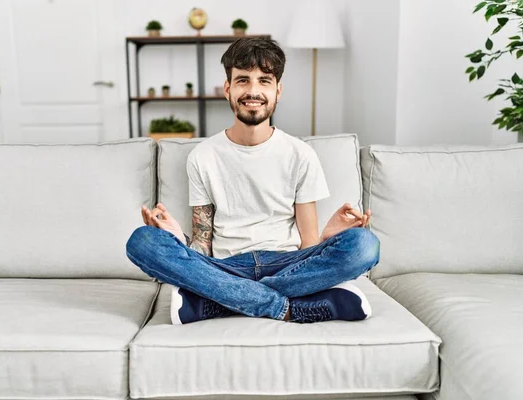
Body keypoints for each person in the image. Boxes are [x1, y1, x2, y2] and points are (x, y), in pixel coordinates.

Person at [126, 37, 380, 325]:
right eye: (243, 80)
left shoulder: (300, 154)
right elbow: (202, 246)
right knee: (143, 241)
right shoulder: (203, 156)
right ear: (228, 89)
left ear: (278, 90)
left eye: (264, 81)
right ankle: (287, 308)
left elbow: (308, 244)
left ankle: (223, 301)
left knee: (364, 245)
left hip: (286, 264)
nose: (253, 91)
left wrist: (326, 239)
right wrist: (177, 239)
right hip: (225, 267)